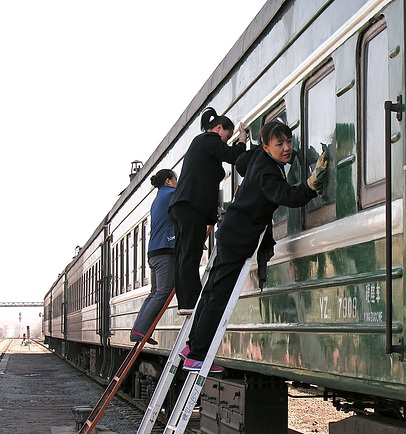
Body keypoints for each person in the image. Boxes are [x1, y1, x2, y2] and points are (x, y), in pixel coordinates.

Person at [181, 120, 328, 370]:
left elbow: (239, 162)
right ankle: (197, 355)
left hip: (230, 232)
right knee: (219, 297)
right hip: (239, 237)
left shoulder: (259, 157)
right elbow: (287, 196)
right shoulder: (267, 171)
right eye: (279, 144)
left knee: (211, 293)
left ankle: (190, 346)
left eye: (289, 142)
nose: (287, 148)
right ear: (266, 146)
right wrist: (311, 184)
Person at [169, 107, 247, 315]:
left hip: (183, 205)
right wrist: (242, 139)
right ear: (219, 128)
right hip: (191, 205)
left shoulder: (200, 144)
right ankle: (189, 301)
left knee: (185, 254)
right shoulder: (208, 139)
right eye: (226, 136)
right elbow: (233, 156)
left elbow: (215, 167)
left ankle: (186, 300)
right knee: (190, 254)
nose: (225, 141)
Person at [130, 169, 178, 345]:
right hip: (165, 249)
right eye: (175, 179)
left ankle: (138, 329)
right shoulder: (171, 194)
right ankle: (140, 329)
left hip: (154, 252)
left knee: (155, 293)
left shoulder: (158, 198)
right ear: (168, 181)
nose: (177, 183)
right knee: (164, 292)